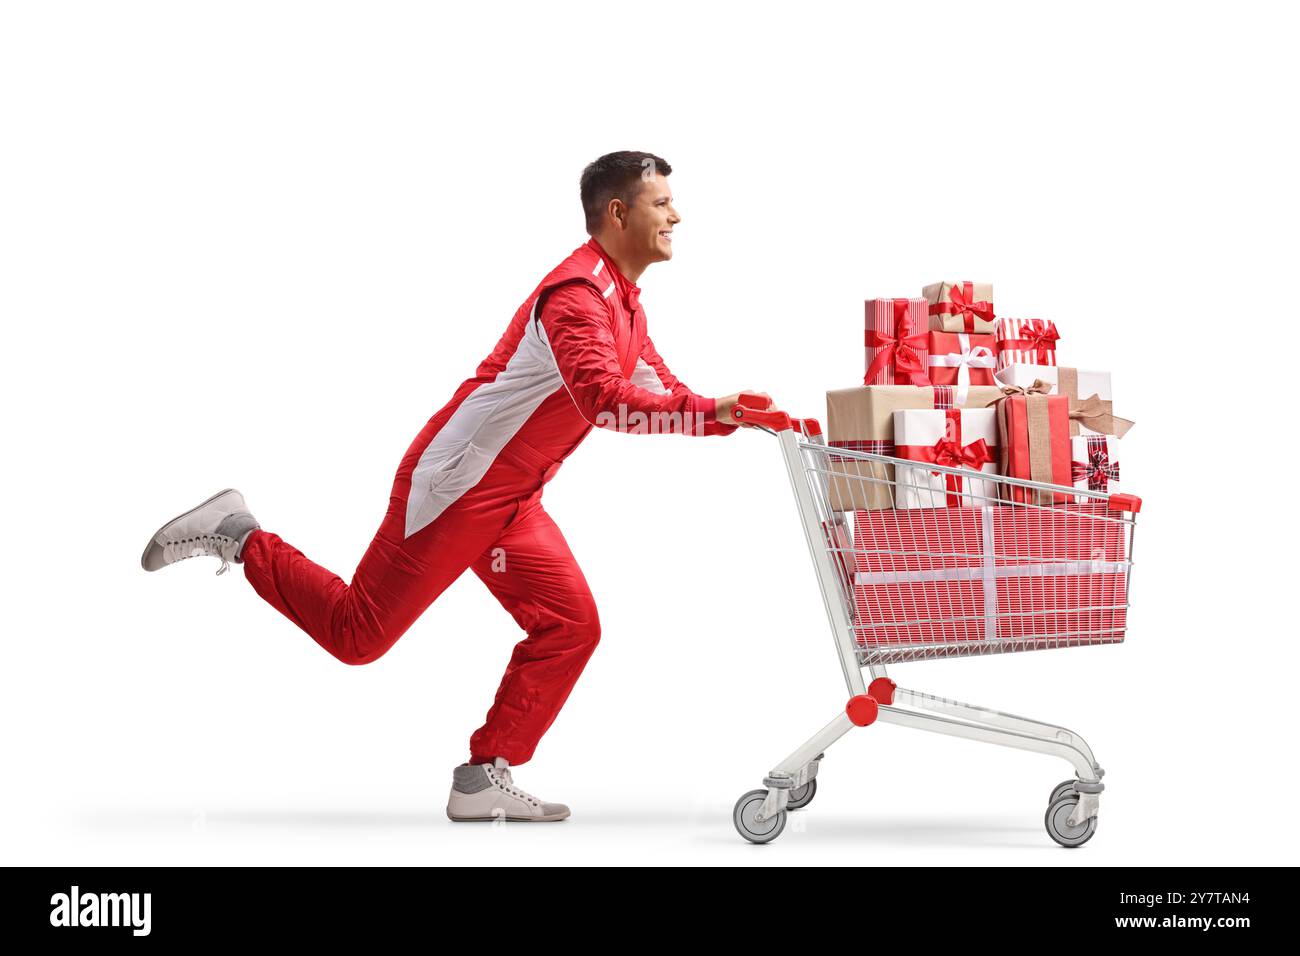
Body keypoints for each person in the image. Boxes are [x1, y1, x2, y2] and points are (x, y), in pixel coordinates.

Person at [141, 150, 776, 823]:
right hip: (458, 487)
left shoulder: (624, 306)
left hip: (512, 498)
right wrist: (714, 412)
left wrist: (735, 417)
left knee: (570, 624)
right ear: (618, 213)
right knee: (359, 636)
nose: (676, 214)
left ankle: (481, 778)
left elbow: (660, 391)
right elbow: (601, 398)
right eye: (661, 203)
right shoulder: (577, 297)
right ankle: (240, 536)